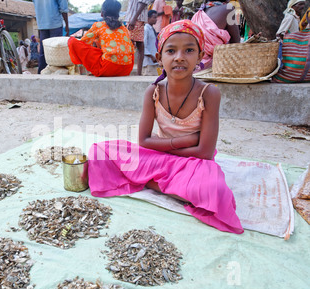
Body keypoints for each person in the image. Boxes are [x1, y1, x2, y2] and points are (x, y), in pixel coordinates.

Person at [87, 19, 243, 235]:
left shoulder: (209, 93)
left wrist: (164, 147)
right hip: (160, 155)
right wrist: (187, 140)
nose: (179, 57)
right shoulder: (153, 91)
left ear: (200, 57)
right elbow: (143, 141)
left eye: (189, 50)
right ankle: (170, 186)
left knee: (213, 188)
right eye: (171, 51)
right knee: (100, 151)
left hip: (193, 162)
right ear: (160, 58)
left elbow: (205, 153)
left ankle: (149, 181)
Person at [68, 0, 135, 77]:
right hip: (126, 69)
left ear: (102, 13)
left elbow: (84, 43)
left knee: (72, 41)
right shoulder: (124, 28)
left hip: (108, 68)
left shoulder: (99, 25)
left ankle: (94, 69)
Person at [191, 0, 240, 69]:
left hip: (195, 65)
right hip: (216, 67)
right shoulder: (228, 8)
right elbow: (236, 43)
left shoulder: (197, 14)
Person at [32, 0, 69, 74]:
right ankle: (55, 74)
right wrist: (67, 25)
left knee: (44, 52)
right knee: (56, 52)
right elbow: (63, 8)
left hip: (42, 24)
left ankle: (41, 74)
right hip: (55, 24)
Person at [125, 0, 156, 75]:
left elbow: (143, 3)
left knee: (136, 45)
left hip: (136, 19)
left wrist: (134, 19)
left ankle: (136, 72)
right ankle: (135, 72)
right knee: (136, 45)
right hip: (133, 19)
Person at [142, 10, 159, 76]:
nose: (156, 19)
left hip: (154, 60)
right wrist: (151, 56)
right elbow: (143, 45)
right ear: (148, 18)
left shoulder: (152, 29)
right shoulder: (146, 29)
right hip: (148, 61)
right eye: (154, 17)